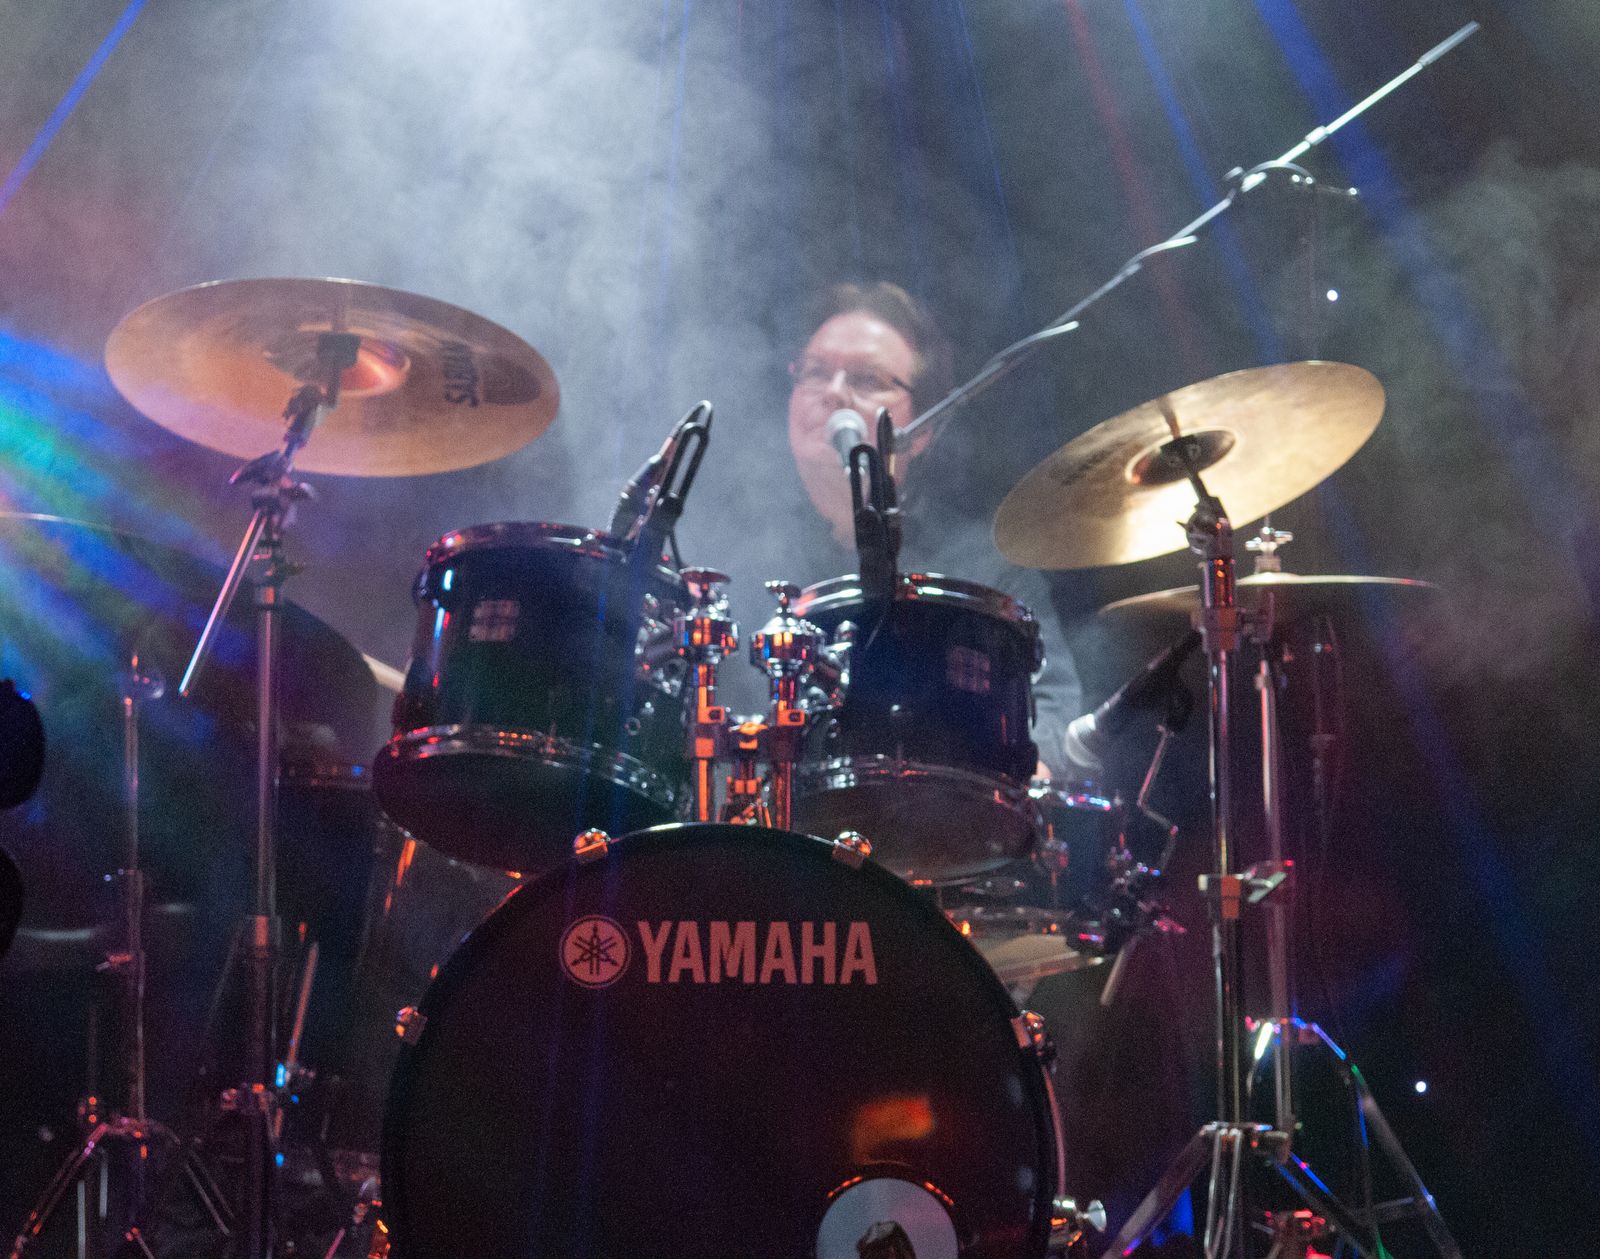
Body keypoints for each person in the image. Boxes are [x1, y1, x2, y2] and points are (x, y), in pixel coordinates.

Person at [781, 280, 1086, 781]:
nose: (833, 392)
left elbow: (1053, 713)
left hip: (936, 821)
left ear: (921, 430)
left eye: (867, 379)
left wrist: (1025, 771)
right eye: (816, 372)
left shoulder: (986, 569)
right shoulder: (741, 551)